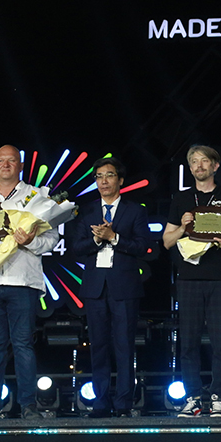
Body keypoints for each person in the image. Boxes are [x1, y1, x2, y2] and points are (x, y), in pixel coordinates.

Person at [0, 144, 59, 420]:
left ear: (20, 166)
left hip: (23, 281)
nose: (6, 165)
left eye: (11, 160)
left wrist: (31, 241)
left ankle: (28, 405)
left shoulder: (37, 196)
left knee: (23, 345)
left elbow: (52, 240)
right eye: (1, 161)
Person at [163, 145, 221, 417]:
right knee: (188, 343)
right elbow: (166, 241)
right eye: (194, 162)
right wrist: (183, 228)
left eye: (204, 161)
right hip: (188, 278)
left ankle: (219, 396)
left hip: (220, 277)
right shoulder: (181, 199)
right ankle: (193, 397)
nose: (199, 166)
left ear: (215, 166)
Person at [73, 157, 149, 418]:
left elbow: (143, 247)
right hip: (95, 288)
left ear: (120, 180)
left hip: (124, 287)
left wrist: (114, 238)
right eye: (98, 176)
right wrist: (96, 239)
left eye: (109, 175)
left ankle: (124, 402)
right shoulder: (88, 212)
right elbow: (76, 248)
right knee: (99, 346)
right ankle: (101, 402)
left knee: (124, 345)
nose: (103, 181)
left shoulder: (135, 211)